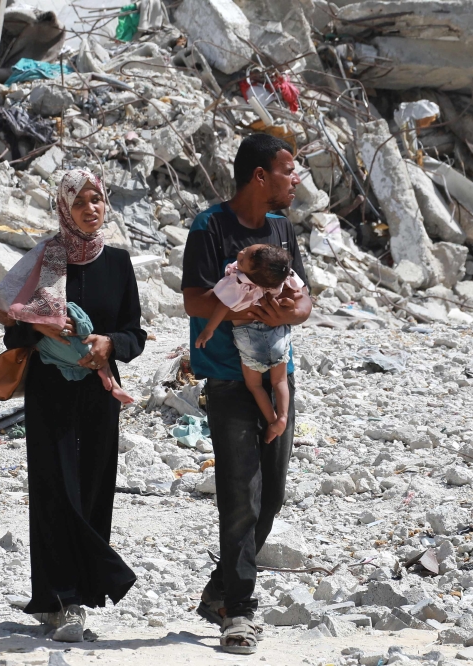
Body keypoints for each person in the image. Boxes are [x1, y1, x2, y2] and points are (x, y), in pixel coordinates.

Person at [0, 169, 146, 642]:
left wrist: (109, 344)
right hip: (50, 387)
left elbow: (136, 334)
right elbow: (13, 328)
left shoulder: (117, 263)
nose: (91, 209)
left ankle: (86, 590)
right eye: (81, 203)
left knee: (93, 487)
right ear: (63, 209)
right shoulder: (43, 261)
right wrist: (42, 327)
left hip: (98, 389)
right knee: (54, 489)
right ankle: (62, 599)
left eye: (97, 200)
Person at [181, 134, 312, 654]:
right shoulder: (210, 227)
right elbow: (193, 297)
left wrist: (285, 313)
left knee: (271, 495)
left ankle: (220, 591)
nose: (295, 178)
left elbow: (305, 300)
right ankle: (239, 612)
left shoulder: (283, 229)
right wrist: (239, 312)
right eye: (288, 169)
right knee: (241, 497)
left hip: (279, 371)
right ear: (260, 176)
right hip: (229, 377)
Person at [194, 243, 305, 443]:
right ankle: (282, 417)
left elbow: (222, 306)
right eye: (247, 251)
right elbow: (298, 292)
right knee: (279, 381)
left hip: (249, 337)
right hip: (276, 332)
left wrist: (208, 329)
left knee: (254, 386)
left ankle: (272, 420)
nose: (241, 253)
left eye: (244, 259)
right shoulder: (280, 276)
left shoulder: (238, 282)